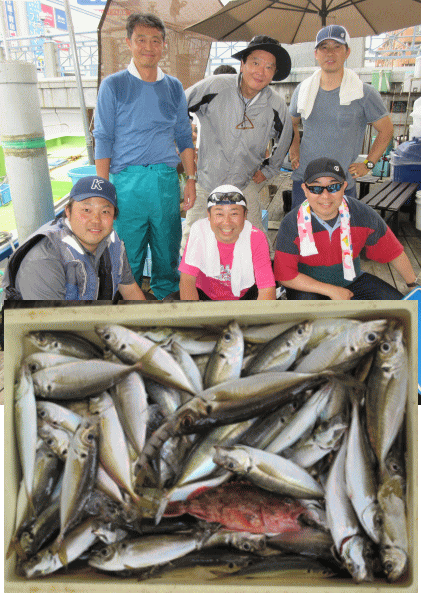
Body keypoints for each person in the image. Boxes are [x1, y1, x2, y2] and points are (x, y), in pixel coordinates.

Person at [93, 13, 196, 300]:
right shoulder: (113, 85)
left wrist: (190, 180)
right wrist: (104, 191)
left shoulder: (174, 86)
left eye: (155, 40)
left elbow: (185, 136)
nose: (148, 47)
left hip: (165, 180)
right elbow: (103, 138)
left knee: (167, 252)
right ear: (129, 43)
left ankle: (167, 306)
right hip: (126, 184)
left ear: (163, 45)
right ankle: (127, 312)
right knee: (127, 255)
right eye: (141, 40)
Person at [181, 35, 293, 255]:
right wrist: (185, 138)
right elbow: (179, 107)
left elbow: (286, 138)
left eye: (269, 67)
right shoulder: (215, 86)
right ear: (242, 64)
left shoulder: (276, 106)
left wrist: (269, 169)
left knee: (257, 241)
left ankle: (262, 286)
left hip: (243, 183)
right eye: (255, 63)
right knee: (191, 241)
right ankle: (188, 287)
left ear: (274, 73)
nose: (260, 72)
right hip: (205, 180)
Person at [274, 158, 420, 300]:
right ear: (305, 190)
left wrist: (413, 285)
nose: (325, 196)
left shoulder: (362, 214)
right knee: (309, 317)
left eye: (334, 187)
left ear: (344, 187)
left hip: (352, 280)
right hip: (307, 286)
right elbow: (285, 275)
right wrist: (332, 290)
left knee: (398, 309)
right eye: (316, 188)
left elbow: (393, 252)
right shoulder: (291, 223)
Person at [289, 25, 394, 209]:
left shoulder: (363, 93)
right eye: (324, 47)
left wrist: (368, 164)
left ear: (347, 52)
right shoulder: (303, 89)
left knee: (342, 237)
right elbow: (291, 123)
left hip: (341, 184)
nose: (330, 53)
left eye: (337, 47)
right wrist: (294, 151)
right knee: (303, 235)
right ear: (316, 53)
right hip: (305, 181)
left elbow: (386, 130)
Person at [1, 176, 146, 301]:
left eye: (105, 211)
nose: (96, 220)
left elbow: (131, 291)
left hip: (89, 320)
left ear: (114, 216)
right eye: (86, 210)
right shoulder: (44, 259)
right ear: (68, 212)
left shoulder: (112, 242)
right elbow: (46, 327)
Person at [179, 185, 276, 300]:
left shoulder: (256, 237)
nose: (227, 222)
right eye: (219, 214)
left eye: (234, 214)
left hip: (244, 296)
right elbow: (187, 281)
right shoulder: (199, 232)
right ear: (209, 216)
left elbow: (266, 288)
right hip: (204, 296)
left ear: (245, 215)